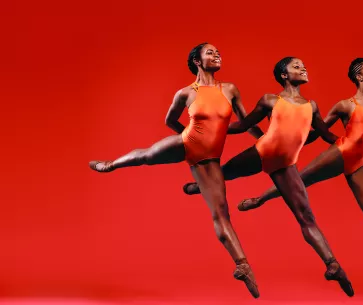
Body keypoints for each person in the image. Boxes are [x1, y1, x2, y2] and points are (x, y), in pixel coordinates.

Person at [235, 58, 363, 304]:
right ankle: (261, 198)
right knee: (300, 179)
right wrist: (289, 141)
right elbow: (317, 131)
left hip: (361, 165)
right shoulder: (346, 105)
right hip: (339, 152)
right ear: (358, 76)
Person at [88, 43, 262, 298]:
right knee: (147, 155)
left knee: (221, 213)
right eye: (210, 52)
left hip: (209, 159)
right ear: (197, 61)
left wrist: (264, 140)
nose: (217, 54)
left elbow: (244, 122)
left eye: (218, 52)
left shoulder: (230, 89)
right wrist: (190, 135)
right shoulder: (185, 93)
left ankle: (243, 266)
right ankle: (111, 164)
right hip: (186, 142)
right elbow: (170, 120)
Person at [183, 57, 354, 296]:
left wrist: (348, 141)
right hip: (262, 152)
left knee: (306, 216)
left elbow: (323, 134)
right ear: (284, 75)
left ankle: (332, 264)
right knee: (223, 175)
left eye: (304, 65)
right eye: (296, 66)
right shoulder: (270, 100)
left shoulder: (311, 106)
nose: (303, 68)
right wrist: (212, 127)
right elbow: (243, 126)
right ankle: (199, 186)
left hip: (285, 164)